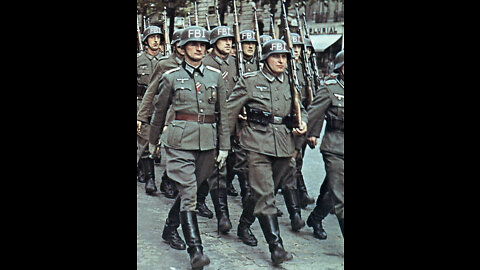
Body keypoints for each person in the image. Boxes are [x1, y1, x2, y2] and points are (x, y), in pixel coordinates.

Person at [149, 26, 230, 269]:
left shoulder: (215, 77)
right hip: (179, 141)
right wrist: (152, 143)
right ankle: (196, 251)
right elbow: (159, 112)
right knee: (188, 191)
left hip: (207, 142)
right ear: (182, 48)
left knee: (191, 191)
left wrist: (224, 146)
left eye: (203, 45)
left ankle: (170, 228)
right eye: (193, 44)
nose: (199, 48)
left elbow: (223, 115)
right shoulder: (171, 76)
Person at [226, 39, 307, 265]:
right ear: (265, 59)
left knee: (263, 192)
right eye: (276, 57)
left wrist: (303, 123)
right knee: (265, 195)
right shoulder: (250, 81)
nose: (281, 61)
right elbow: (229, 111)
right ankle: (276, 247)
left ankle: (244, 224)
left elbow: (302, 109)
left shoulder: (291, 82)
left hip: (283, 145)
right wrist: (225, 144)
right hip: (256, 144)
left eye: (284, 57)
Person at [201, 25, 238, 234]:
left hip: (232, 123)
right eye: (223, 40)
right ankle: (222, 215)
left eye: (230, 40)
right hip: (209, 122)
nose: (228, 43)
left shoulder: (234, 62)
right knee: (216, 169)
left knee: (224, 166)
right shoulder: (205, 64)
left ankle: (200, 200)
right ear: (214, 43)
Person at [304, 50, 344, 239]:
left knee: (331, 190)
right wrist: (306, 134)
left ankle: (316, 218)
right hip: (334, 147)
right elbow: (313, 114)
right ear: (341, 68)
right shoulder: (330, 88)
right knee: (341, 196)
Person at [282, 33, 316, 209]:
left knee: (297, 159)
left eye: (299, 47)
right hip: (286, 119)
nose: (296, 50)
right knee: (290, 160)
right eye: (292, 47)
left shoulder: (304, 69)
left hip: (302, 117)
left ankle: (298, 193)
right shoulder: (283, 68)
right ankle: (296, 196)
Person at [137, 25, 164, 195]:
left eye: (158, 37)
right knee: (145, 141)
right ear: (145, 40)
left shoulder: (165, 61)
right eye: (152, 37)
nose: (155, 40)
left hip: (161, 105)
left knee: (158, 143)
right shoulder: (138, 60)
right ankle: (150, 179)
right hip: (141, 104)